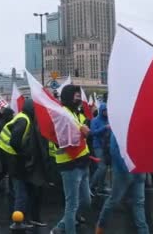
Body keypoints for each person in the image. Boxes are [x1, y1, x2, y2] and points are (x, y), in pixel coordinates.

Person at [0, 99, 49, 228]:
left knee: (22, 189)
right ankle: (19, 221)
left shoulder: (24, 117)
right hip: (13, 158)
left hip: (11, 157)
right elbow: (15, 142)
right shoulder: (24, 120)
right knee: (21, 191)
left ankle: (23, 218)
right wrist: (24, 154)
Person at [50, 85, 91, 234]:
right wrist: (82, 131)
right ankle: (66, 229)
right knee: (72, 205)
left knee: (86, 201)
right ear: (68, 96)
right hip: (70, 165)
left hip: (83, 162)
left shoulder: (74, 113)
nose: (79, 99)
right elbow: (62, 139)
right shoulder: (62, 114)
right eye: (76, 96)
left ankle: (60, 227)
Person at [95, 133, 149, 234]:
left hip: (131, 170)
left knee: (120, 201)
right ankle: (100, 227)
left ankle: (100, 227)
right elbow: (115, 150)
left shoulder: (120, 126)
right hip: (132, 170)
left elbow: (114, 150)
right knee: (132, 203)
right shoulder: (129, 126)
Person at [89, 103, 111, 194]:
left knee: (104, 168)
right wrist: (104, 128)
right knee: (102, 167)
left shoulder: (109, 120)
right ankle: (91, 186)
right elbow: (93, 132)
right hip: (98, 146)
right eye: (105, 110)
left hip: (107, 146)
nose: (106, 112)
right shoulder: (95, 120)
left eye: (107, 110)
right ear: (101, 111)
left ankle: (100, 187)